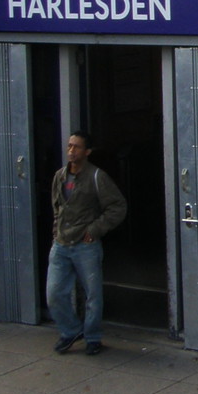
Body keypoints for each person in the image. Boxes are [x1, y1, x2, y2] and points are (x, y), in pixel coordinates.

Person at [47, 130, 127, 355]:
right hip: (62, 243)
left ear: (87, 152)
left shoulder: (96, 177)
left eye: (77, 147)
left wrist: (95, 229)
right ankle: (71, 330)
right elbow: (57, 207)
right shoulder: (60, 176)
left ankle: (92, 337)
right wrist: (56, 232)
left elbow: (117, 206)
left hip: (85, 245)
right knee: (54, 293)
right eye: (70, 146)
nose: (71, 151)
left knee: (92, 294)